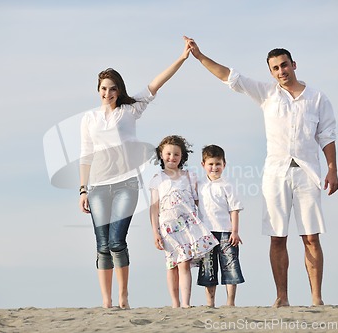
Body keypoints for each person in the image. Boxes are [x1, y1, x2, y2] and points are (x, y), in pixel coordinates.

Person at [184, 36, 338, 307]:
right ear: (271, 72)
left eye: (285, 65)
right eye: (276, 68)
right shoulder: (267, 94)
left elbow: (327, 135)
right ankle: (282, 297)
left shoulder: (317, 98)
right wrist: (200, 56)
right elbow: (231, 77)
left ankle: (317, 298)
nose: (281, 71)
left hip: (308, 173)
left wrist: (332, 168)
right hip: (276, 174)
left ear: (293, 64)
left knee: (311, 237)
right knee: (278, 237)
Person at [79, 39, 191, 309]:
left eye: (113, 88)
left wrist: (182, 58)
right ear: (98, 90)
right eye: (104, 89)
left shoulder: (130, 110)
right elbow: (86, 156)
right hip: (97, 188)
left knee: (117, 242)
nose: (108, 93)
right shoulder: (89, 119)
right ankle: (107, 301)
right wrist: (83, 190)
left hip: (125, 185)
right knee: (102, 245)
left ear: (119, 90)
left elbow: (156, 83)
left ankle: (123, 296)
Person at [149, 135, 219, 308]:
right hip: (167, 228)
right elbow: (154, 208)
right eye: (168, 153)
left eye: (176, 154)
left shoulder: (189, 176)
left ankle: (186, 303)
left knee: (184, 262)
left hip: (188, 226)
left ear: (182, 157)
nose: (172, 157)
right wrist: (155, 232)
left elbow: (197, 202)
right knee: (171, 265)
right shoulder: (157, 179)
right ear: (161, 154)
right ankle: (175, 302)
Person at [197, 145, 245, 307]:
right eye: (210, 164)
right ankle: (210, 303)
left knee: (230, 265)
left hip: (226, 232)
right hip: (206, 233)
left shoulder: (228, 185)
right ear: (203, 164)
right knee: (208, 268)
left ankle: (230, 302)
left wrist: (235, 231)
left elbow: (234, 209)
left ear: (224, 164)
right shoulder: (199, 185)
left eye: (218, 164)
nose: (214, 167)